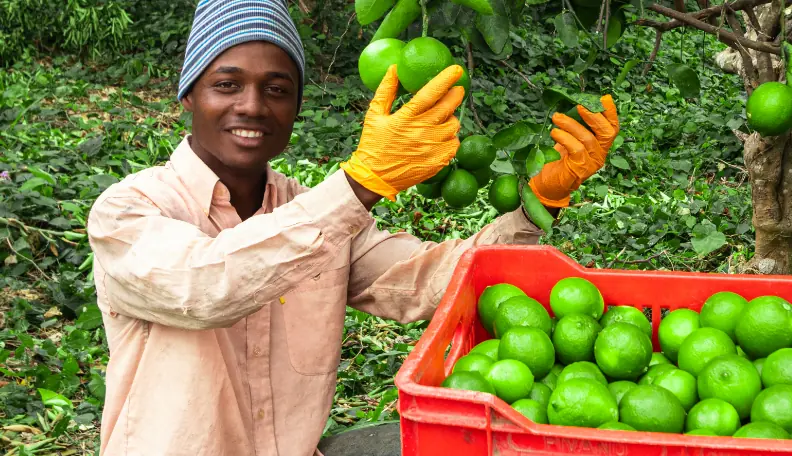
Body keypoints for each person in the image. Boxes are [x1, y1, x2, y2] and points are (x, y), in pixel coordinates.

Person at [85, 1, 620, 455]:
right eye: (227, 84)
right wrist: (360, 185)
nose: (252, 106)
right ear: (188, 97)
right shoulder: (130, 210)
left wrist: (539, 203)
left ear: (295, 107)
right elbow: (203, 286)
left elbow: (431, 282)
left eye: (277, 89)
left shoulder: (312, 210)